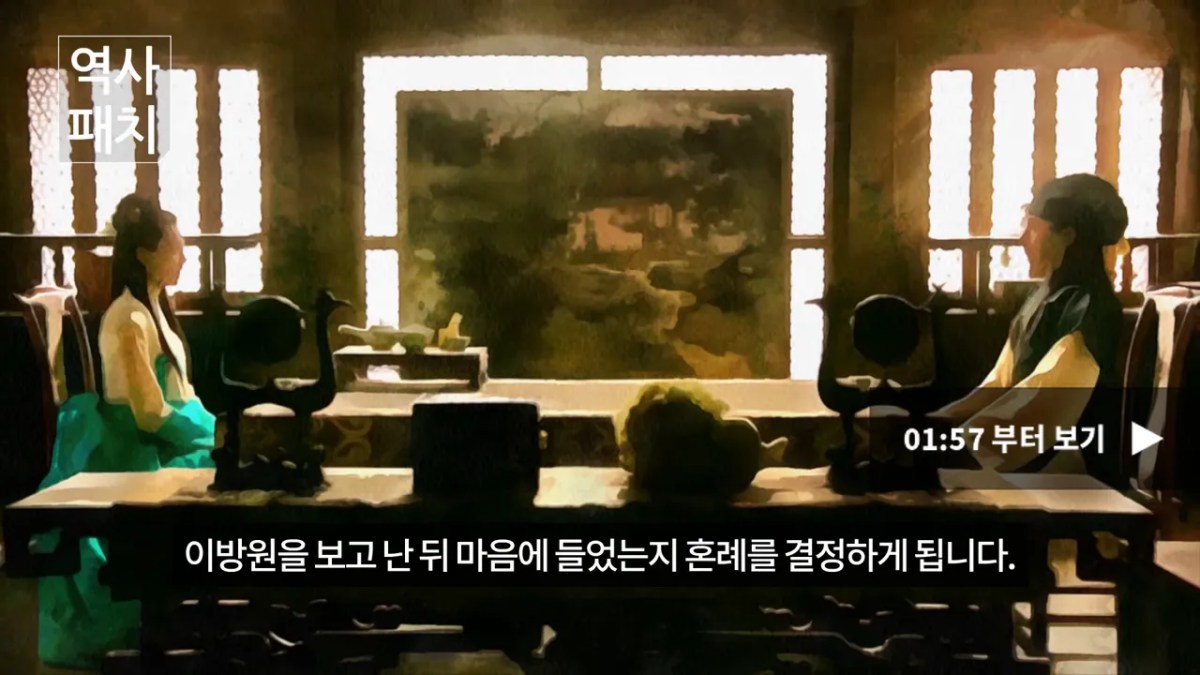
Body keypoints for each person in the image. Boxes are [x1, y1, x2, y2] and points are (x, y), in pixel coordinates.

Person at [37, 194, 216, 670]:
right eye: (175, 248)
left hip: (163, 435)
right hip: (134, 448)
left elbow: (178, 397)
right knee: (225, 470)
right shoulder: (128, 317)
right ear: (144, 254)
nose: (183, 257)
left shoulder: (154, 308)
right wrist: (209, 435)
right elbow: (150, 414)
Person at [933, 173, 1128, 480]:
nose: (1023, 239)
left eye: (1034, 229)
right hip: (1023, 452)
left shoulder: (1090, 308)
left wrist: (951, 444)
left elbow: (1040, 406)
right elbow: (999, 383)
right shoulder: (1041, 298)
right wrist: (936, 422)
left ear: (1068, 235)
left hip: (1065, 463)